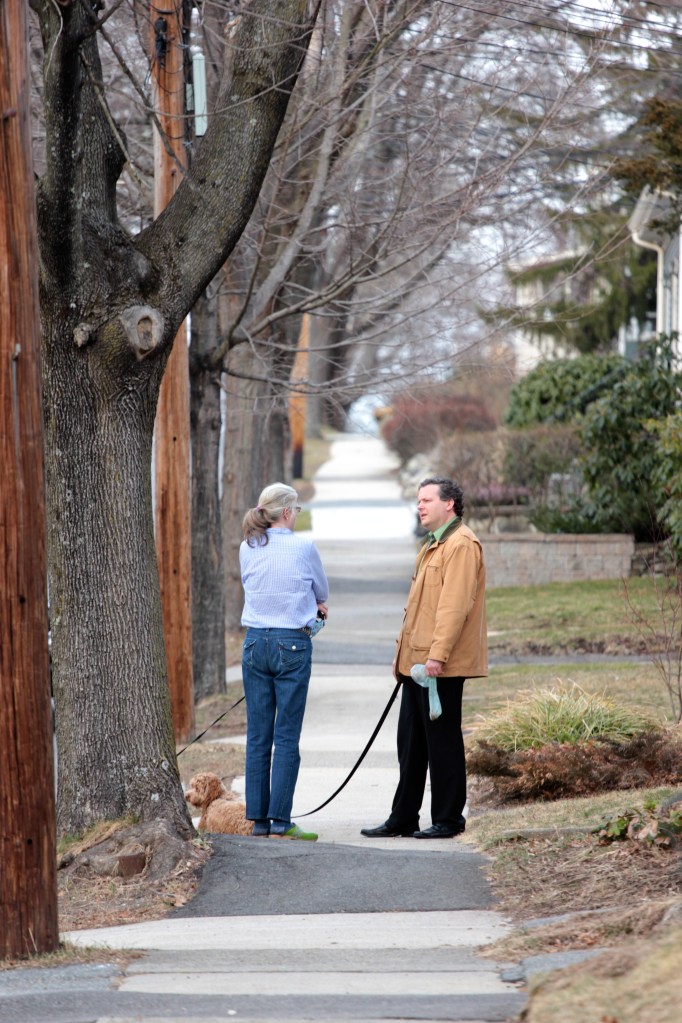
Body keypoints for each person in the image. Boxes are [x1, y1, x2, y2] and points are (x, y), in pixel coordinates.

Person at [361, 476, 487, 839]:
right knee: (411, 744)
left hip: (439, 668)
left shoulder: (461, 545)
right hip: (416, 665)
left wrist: (437, 656)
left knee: (442, 744)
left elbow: (453, 608)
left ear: (449, 504)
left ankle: (448, 819)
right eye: (418, 500)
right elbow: (417, 608)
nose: (420, 506)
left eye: (427, 500)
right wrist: (402, 654)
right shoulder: (434, 544)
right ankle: (403, 817)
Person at [240, 482, 329, 840]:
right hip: (291, 643)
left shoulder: (247, 547)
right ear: (288, 512)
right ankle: (281, 820)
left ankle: (258, 820)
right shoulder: (304, 546)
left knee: (258, 735)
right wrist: (317, 606)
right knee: (287, 735)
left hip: (254, 642)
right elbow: (321, 592)